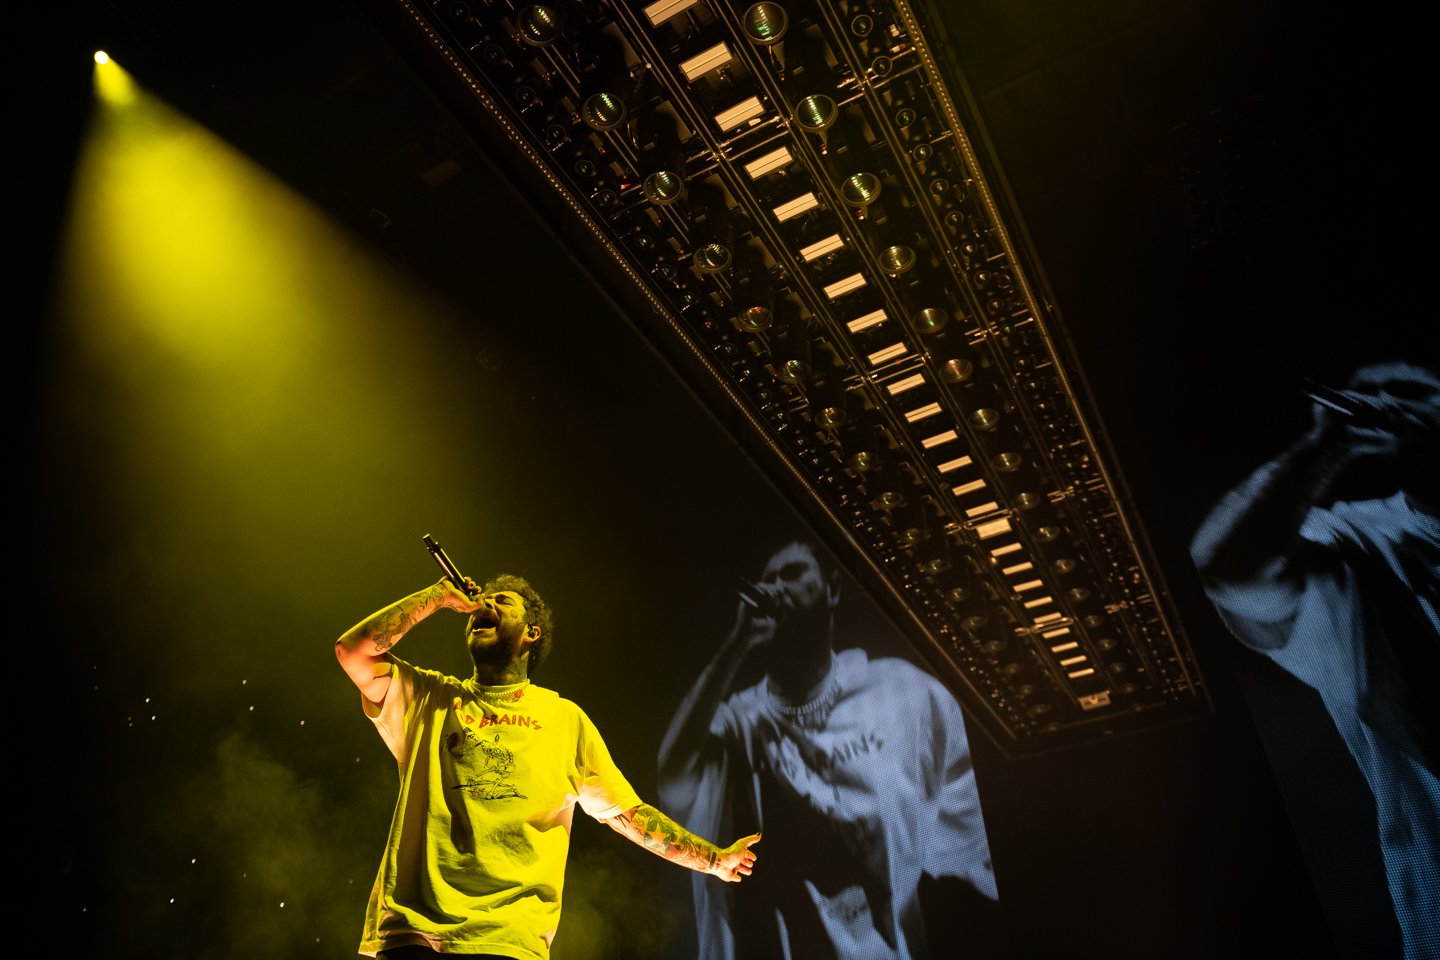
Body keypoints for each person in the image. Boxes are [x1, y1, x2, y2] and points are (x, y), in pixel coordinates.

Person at [336, 571, 761, 959]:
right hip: (411, 933)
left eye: (503, 603)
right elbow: (353, 651)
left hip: (505, 937)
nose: (484, 607)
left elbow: (628, 815)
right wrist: (436, 597)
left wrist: (713, 860)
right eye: (482, 602)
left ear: (530, 634)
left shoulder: (564, 719)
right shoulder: (429, 697)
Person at [1189, 361, 1439, 959]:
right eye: (1369, 391)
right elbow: (1229, 569)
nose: (1381, 400)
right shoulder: (1359, 540)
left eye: (1412, 388)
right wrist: (1324, 445)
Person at [657, 540, 997, 959]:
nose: (775, 587)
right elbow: (673, 779)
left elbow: (970, 852)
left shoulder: (902, 694)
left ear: (832, 588)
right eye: (767, 579)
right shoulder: (738, 721)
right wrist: (738, 642)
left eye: (792, 573)